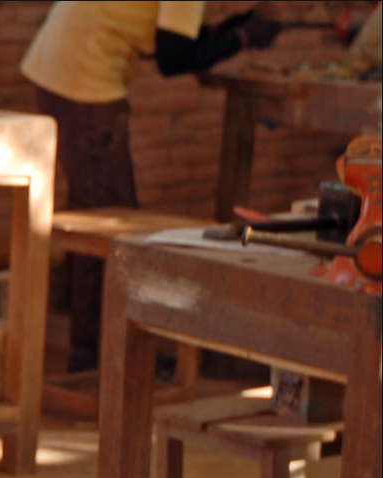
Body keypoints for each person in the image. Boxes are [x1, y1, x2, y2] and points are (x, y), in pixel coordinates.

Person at [21, 1, 285, 371]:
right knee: (111, 230)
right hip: (83, 84)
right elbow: (172, 58)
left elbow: (159, 38)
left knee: (99, 214)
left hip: (60, 71)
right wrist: (242, 38)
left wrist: (226, 31)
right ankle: (100, 357)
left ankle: (99, 350)